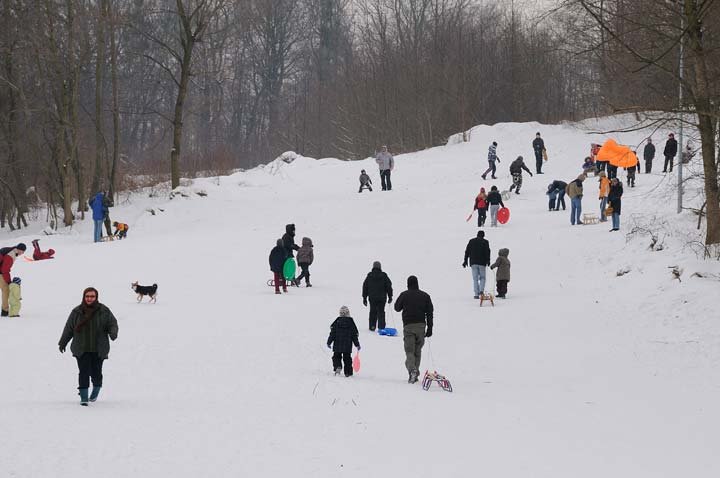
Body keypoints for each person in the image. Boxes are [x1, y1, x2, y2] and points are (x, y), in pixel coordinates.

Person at [58, 287, 119, 406]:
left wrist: (113, 332)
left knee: (96, 373)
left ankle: (96, 389)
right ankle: (84, 397)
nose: (89, 299)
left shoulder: (104, 310)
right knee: (83, 372)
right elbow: (69, 328)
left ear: (96, 297)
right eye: (87, 296)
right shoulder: (77, 311)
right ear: (83, 297)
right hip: (81, 348)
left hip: (99, 348)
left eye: (92, 296)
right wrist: (63, 342)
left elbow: (113, 323)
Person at [393, 276, 434, 384]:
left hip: (408, 326)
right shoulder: (425, 296)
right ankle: (414, 374)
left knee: (409, 351)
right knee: (417, 351)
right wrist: (430, 328)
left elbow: (396, 308)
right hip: (421, 326)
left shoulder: (404, 295)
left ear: (408, 284)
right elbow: (430, 313)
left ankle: (412, 370)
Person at [326, 306, 360, 377]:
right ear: (348, 313)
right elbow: (354, 334)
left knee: (336, 357)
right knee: (347, 359)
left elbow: (332, 333)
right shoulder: (351, 322)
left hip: (337, 344)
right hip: (347, 345)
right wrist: (357, 344)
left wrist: (329, 342)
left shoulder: (337, 322)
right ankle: (348, 372)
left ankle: (338, 366)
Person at [362, 261, 393, 331]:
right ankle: (381, 326)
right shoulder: (384, 275)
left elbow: (365, 287)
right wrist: (390, 296)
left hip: (372, 297)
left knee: (372, 311)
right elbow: (389, 286)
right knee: (381, 311)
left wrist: (364, 298)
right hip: (382, 298)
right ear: (380, 267)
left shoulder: (369, 275)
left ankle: (372, 326)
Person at [462, 230, 491, 299]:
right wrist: (488, 260)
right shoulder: (485, 242)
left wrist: (465, 261)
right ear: (483, 235)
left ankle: (476, 294)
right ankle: (481, 290)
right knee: (482, 277)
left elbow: (467, 252)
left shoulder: (471, 241)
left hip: (473, 263)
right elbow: (487, 252)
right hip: (482, 263)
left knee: (475, 279)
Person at [0, 243, 26, 317]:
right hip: (1, 273)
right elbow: (4, 270)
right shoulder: (11, 255)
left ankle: (4, 310)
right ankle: (5, 310)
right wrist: (9, 282)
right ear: (19, 249)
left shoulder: (10, 249)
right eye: (22, 251)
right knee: (6, 290)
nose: (22, 253)